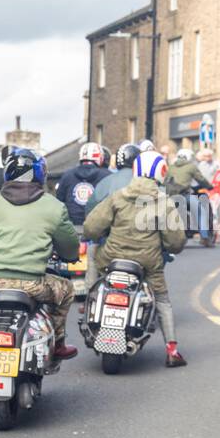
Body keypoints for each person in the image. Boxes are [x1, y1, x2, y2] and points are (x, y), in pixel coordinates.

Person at [0, 148, 80, 412]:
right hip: (33, 284)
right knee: (65, 290)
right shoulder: (54, 207)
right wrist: (68, 255)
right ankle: (58, 344)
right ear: (40, 176)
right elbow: (70, 249)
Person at [83, 149, 188, 367]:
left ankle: (90, 298)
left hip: (111, 258)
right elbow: (176, 243)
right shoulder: (164, 202)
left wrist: (99, 235)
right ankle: (172, 350)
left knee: (93, 255)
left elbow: (91, 229)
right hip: (148, 263)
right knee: (162, 300)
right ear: (161, 171)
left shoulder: (118, 196)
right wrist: (166, 247)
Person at [81, 143, 142, 289]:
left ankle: (90, 291)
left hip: (109, 245)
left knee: (92, 251)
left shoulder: (105, 182)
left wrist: (94, 236)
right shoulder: (148, 183)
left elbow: (91, 214)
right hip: (142, 247)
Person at [56, 142, 110, 230]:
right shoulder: (107, 176)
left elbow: (59, 201)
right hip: (97, 229)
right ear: (100, 157)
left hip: (72, 228)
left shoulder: (67, 175)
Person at [167, 147, 214, 246]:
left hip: (170, 196)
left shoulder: (171, 166)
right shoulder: (191, 166)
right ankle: (205, 237)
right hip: (184, 195)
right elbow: (201, 179)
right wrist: (209, 187)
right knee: (200, 212)